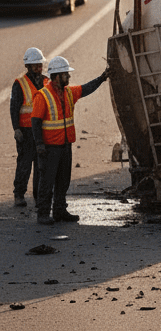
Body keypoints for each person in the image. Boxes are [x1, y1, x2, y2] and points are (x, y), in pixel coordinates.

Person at [31, 56, 108, 226]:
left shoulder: (68, 92)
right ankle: (43, 213)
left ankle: (59, 211)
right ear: (57, 76)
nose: (69, 76)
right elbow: (35, 122)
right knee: (47, 181)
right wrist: (39, 145)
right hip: (50, 147)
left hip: (65, 145)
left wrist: (102, 78)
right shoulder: (42, 96)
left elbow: (85, 89)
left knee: (63, 180)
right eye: (66, 74)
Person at [11, 47, 47, 207]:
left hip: (42, 131)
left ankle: (39, 197)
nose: (39, 68)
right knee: (24, 165)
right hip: (26, 132)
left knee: (41, 166)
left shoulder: (46, 82)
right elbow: (14, 108)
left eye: (40, 65)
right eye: (35, 65)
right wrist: (16, 129)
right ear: (28, 66)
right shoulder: (19, 84)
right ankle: (19, 194)